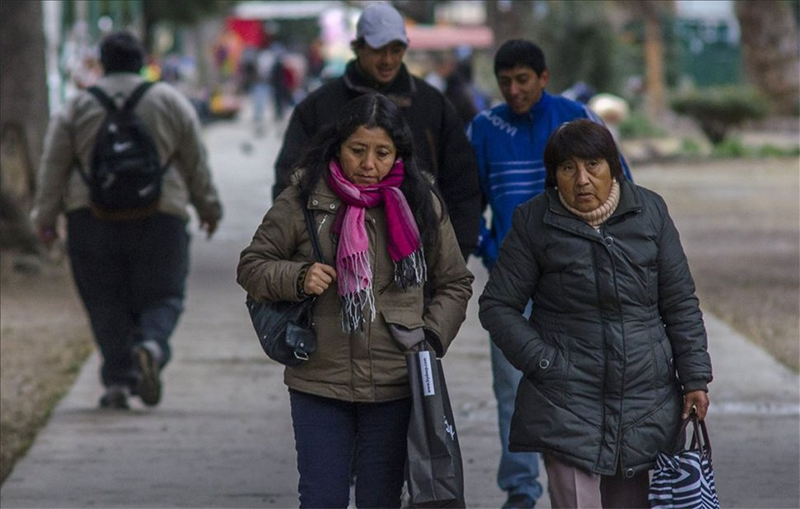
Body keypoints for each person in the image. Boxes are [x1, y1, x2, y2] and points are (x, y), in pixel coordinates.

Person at [238, 93, 474, 507]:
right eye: (357, 151)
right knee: (320, 498)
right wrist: (297, 277)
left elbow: (454, 281)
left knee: (380, 499)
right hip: (319, 381)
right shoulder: (303, 200)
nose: (369, 165)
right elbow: (252, 266)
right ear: (338, 146)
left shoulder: (421, 203)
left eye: (382, 153)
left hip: (396, 384)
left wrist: (430, 340)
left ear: (398, 152)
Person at [479, 119, 712, 509]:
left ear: (613, 166)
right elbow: (498, 306)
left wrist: (695, 378)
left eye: (593, 165)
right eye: (568, 168)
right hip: (565, 400)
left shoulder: (649, 211)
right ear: (554, 176)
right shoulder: (534, 221)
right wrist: (545, 361)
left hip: (643, 398)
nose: (582, 179)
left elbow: (680, 301)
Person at [467, 39, 633, 509]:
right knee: (512, 389)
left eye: (524, 80)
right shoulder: (484, 128)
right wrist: (487, 248)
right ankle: (521, 491)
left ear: (544, 77)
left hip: (578, 280)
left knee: (583, 385)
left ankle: (588, 480)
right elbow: (464, 203)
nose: (514, 90)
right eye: (505, 82)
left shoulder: (576, 118)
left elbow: (621, 186)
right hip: (512, 284)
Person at [31, 31, 223, 409]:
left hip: (91, 218)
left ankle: (117, 381)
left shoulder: (78, 105)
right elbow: (195, 162)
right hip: (161, 217)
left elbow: (54, 166)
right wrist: (208, 209)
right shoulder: (170, 101)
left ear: (102, 62)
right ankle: (152, 343)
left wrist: (45, 218)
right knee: (165, 294)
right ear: (142, 61)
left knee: (104, 300)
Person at [273, 2, 481, 261]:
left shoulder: (432, 106)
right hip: (332, 261)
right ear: (358, 47)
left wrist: (455, 254)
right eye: (378, 50)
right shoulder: (319, 107)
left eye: (396, 49)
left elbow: (463, 184)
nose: (388, 59)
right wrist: (303, 254)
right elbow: (289, 181)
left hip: (418, 263)